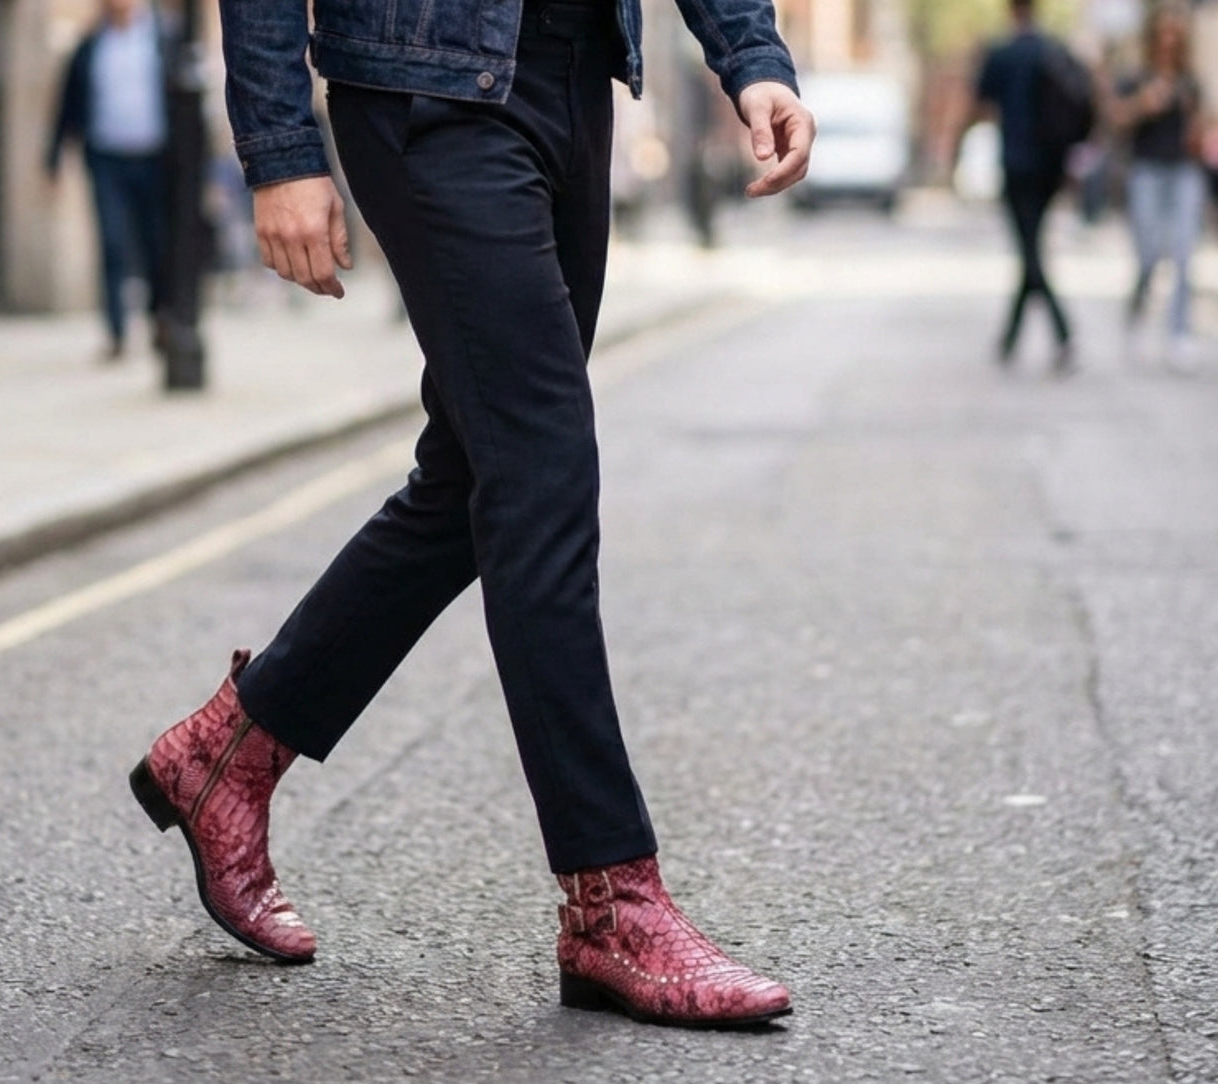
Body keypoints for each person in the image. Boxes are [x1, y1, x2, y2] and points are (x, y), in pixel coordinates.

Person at [128, 0, 814, 1030]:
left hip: (573, 75)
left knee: (471, 477)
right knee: (540, 469)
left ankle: (225, 755)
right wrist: (277, 150)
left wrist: (749, 56)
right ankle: (608, 896)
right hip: (429, 88)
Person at [47, 0, 170, 361]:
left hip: (154, 159)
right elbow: (68, 103)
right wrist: (53, 157)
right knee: (112, 243)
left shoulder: (161, 37)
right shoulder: (89, 45)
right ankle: (116, 332)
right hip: (106, 159)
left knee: (155, 245)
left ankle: (159, 318)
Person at [972, 0, 1075, 373]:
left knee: (1030, 251)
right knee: (1030, 247)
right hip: (1051, 168)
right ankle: (1011, 339)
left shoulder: (1002, 54)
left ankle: (1063, 333)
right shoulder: (1055, 51)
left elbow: (981, 103)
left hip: (1017, 163)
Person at [1107, 5, 1206, 372]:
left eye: (1175, 34)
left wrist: (1197, 129)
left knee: (1182, 253)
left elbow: (1200, 128)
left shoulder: (1189, 81)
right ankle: (1136, 311)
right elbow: (1114, 118)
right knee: (1149, 254)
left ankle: (1178, 333)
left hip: (1184, 171)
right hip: (1147, 170)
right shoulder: (1136, 77)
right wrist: (1144, 104)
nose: (1169, 41)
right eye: (1163, 33)